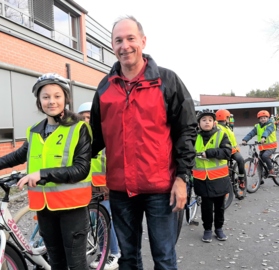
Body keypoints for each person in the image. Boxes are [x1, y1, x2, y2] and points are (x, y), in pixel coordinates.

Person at [89, 16, 197, 270]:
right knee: (128, 259)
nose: (125, 45)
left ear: (143, 41)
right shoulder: (105, 89)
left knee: (164, 258)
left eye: (130, 39)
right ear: (112, 46)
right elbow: (94, 138)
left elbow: (186, 130)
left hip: (162, 188)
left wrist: (183, 178)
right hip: (121, 190)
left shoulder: (167, 81)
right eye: (118, 40)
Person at [0, 73, 92, 270]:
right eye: (46, 97)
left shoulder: (79, 128)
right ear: (39, 101)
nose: (52, 101)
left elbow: (81, 169)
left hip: (72, 209)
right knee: (56, 262)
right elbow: (16, 156)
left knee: (76, 265)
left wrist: (41, 174)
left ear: (65, 99)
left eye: (57, 96)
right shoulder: (34, 130)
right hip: (44, 208)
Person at [77, 102, 120, 270]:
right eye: (84, 117)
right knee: (87, 220)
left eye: (90, 117)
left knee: (106, 220)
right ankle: (97, 247)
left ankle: (113, 254)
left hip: (104, 188)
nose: (87, 120)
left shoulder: (106, 137)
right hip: (85, 187)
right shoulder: (79, 137)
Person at [192, 109, 231, 242]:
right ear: (199, 123)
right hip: (201, 179)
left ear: (214, 122)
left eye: (209, 120)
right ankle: (207, 229)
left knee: (219, 206)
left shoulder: (221, 135)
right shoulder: (194, 136)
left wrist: (210, 153)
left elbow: (227, 152)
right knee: (206, 207)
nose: (207, 122)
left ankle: (219, 229)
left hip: (219, 178)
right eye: (203, 120)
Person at [215, 109, 246, 199]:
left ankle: (241, 179)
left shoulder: (227, 126)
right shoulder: (218, 127)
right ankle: (241, 179)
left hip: (232, 151)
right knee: (240, 160)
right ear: (226, 118)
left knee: (237, 162)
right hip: (229, 152)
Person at [241, 110, 278, 183]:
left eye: (264, 118)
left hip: (271, 147)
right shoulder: (257, 126)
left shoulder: (271, 125)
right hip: (263, 148)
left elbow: (267, 131)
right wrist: (245, 140)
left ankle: (271, 170)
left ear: (268, 118)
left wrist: (264, 137)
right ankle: (260, 178)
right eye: (261, 118)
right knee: (259, 162)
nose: (263, 119)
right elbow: (251, 133)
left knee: (265, 156)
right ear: (259, 119)